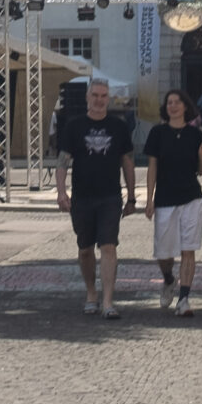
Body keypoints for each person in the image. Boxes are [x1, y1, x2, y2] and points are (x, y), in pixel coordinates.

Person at [52, 76, 137, 318]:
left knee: (109, 246)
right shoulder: (74, 126)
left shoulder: (119, 126)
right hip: (82, 196)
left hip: (110, 196)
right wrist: (61, 191)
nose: (99, 100)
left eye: (103, 96)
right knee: (85, 249)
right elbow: (62, 162)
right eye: (95, 96)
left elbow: (127, 162)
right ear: (87, 98)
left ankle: (108, 301)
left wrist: (131, 197)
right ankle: (91, 293)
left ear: (108, 99)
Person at [142, 88, 202, 316]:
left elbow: (200, 171)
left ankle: (184, 299)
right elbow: (152, 167)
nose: (172, 106)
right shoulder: (157, 133)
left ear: (185, 106)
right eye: (169, 102)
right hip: (164, 199)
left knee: (188, 249)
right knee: (163, 253)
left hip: (192, 197)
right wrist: (149, 198)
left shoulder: (195, 135)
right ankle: (169, 279)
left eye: (177, 102)